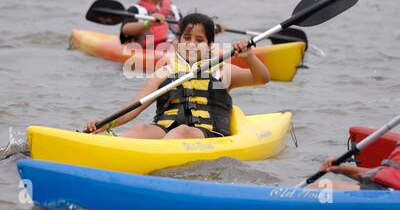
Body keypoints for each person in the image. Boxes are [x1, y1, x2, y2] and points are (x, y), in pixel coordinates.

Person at [87, 13, 270, 139]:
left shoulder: (222, 71)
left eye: (199, 40)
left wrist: (250, 57)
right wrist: (105, 124)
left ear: (210, 45)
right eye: (187, 38)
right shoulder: (164, 72)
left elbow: (262, 78)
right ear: (178, 42)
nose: (191, 44)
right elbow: (134, 107)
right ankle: (113, 146)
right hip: (167, 130)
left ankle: (153, 157)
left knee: (182, 132)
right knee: (140, 129)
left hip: (208, 134)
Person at [120, 0, 224, 48]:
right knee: (177, 44)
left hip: (176, 45)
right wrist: (148, 22)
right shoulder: (136, 10)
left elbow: (188, 29)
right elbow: (125, 30)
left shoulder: (172, 8)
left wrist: (214, 29)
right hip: (153, 48)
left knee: (182, 43)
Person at [307, 140, 400, 190]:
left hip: (393, 196)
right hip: (387, 190)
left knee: (317, 190)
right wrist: (341, 169)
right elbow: (391, 176)